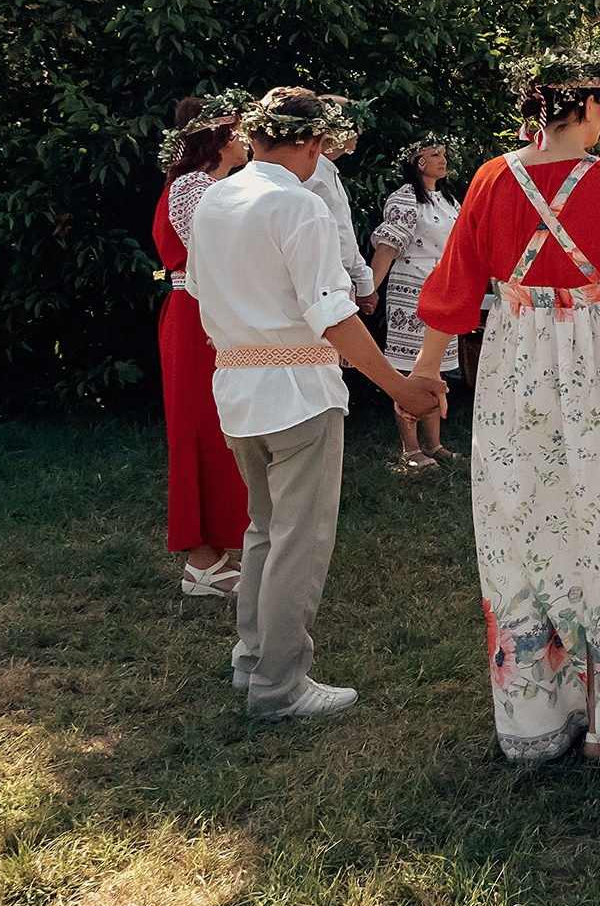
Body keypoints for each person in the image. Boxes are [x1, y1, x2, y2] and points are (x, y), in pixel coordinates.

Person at [410, 37, 600, 773]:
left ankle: (542, 714)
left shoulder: (489, 181)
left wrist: (423, 378)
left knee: (525, 519)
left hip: (514, 369)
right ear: (587, 105)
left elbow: (451, 290)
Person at [187, 87, 447, 720]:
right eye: (321, 145)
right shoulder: (298, 205)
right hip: (299, 391)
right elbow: (330, 311)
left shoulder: (213, 199)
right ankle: (280, 684)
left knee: (262, 530)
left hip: (236, 387)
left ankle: (252, 663)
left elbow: (198, 291)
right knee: (299, 539)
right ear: (308, 142)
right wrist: (401, 386)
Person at [153, 90, 254, 599]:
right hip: (195, 317)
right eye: (240, 128)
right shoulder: (192, 186)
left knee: (224, 429)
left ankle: (221, 546)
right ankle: (201, 559)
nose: (248, 138)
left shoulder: (219, 185)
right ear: (218, 135)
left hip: (216, 314)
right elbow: (216, 253)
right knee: (198, 428)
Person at [370, 134, 462, 474]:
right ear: (416, 162)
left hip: (441, 294)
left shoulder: (450, 201)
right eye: (433, 154)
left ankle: (434, 444)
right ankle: (409, 447)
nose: (442, 159)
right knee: (410, 371)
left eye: (443, 153)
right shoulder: (406, 198)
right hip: (411, 295)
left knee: (433, 368)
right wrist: (370, 289)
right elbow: (389, 245)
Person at [303, 96, 379, 318]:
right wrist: (364, 283)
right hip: (322, 283)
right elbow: (339, 235)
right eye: (356, 123)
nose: (361, 131)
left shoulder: (325, 171)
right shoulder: (313, 173)